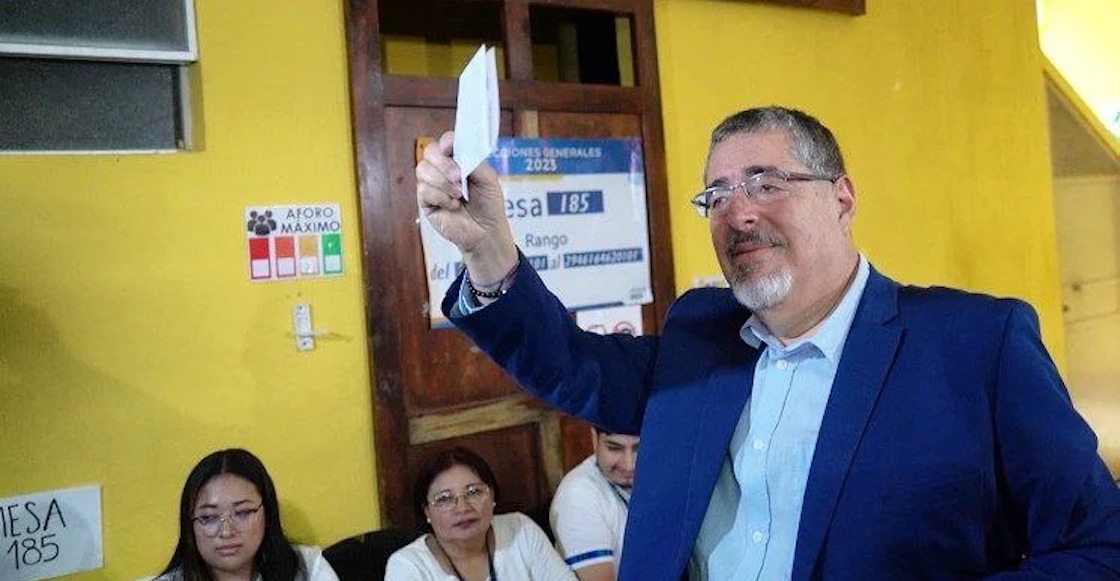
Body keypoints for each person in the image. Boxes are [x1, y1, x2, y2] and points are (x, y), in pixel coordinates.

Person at [414, 105, 1120, 580]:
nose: (738, 212)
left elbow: (1097, 547)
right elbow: (572, 366)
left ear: (842, 198)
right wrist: (488, 250)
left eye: (766, 183)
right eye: (716, 195)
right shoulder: (700, 336)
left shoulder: (975, 345)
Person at [385, 446, 576, 580]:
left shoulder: (520, 530)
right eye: (444, 499)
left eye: (474, 492)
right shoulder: (408, 567)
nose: (463, 508)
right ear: (426, 510)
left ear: (492, 496)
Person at [149, 448, 339, 581]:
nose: (226, 532)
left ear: (267, 513)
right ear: (189, 526)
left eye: (242, 512)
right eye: (208, 517)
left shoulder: (307, 569)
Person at [550, 427, 638, 581]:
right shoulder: (577, 494)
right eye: (614, 448)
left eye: (639, 448)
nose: (629, 464)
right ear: (594, 439)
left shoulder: (663, 468)